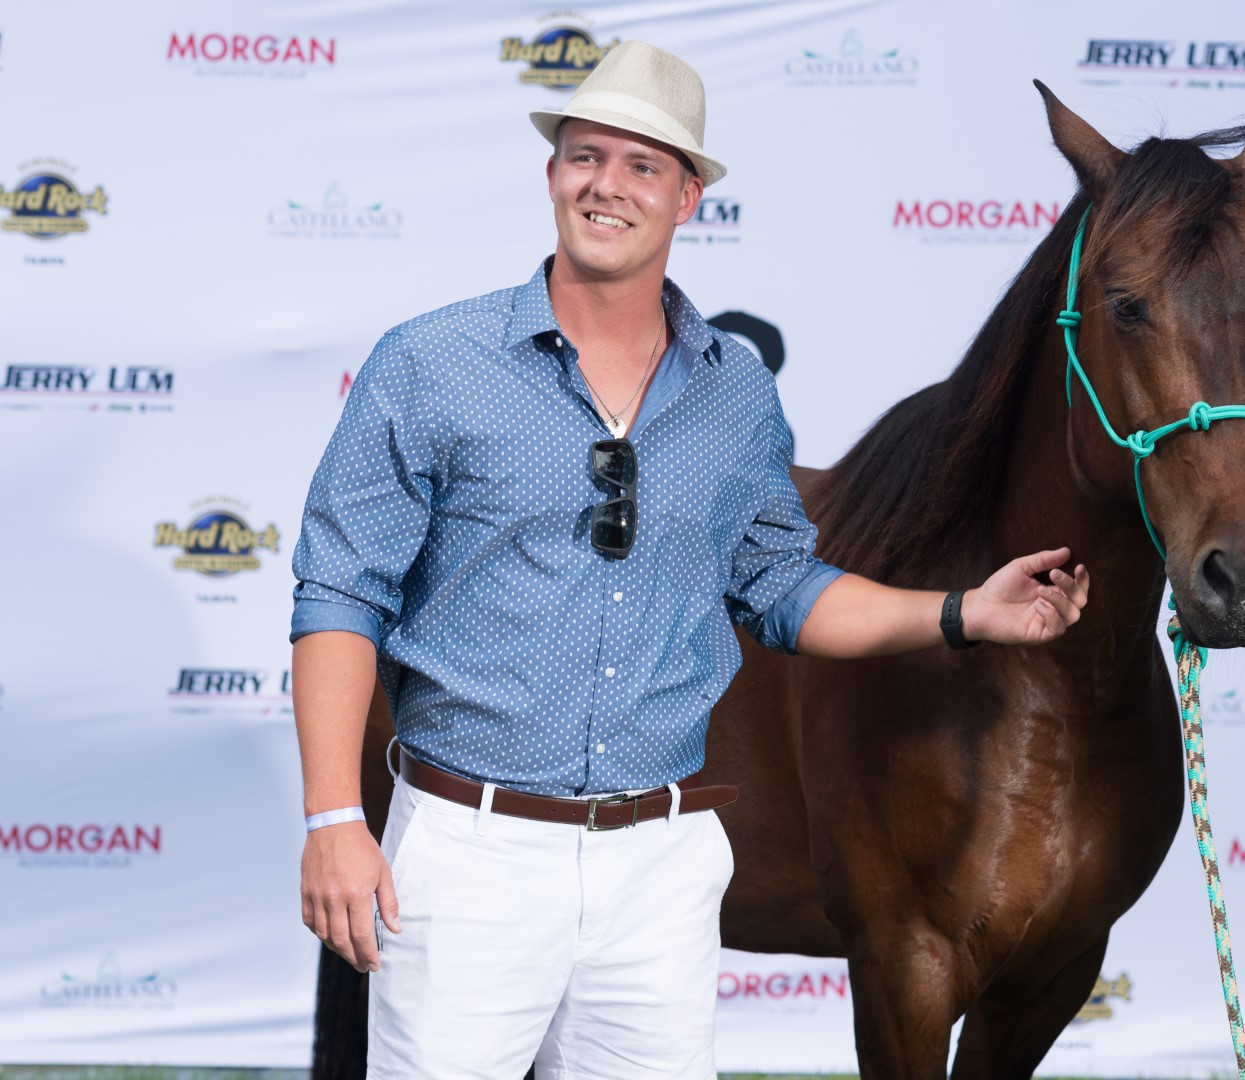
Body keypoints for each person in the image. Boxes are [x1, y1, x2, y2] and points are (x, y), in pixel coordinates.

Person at [290, 40, 1090, 1079]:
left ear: (688, 196)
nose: (606, 185)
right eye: (585, 157)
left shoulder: (735, 392)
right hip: (469, 854)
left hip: (661, 870)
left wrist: (964, 612)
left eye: (642, 165)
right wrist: (333, 818)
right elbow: (339, 594)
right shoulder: (430, 363)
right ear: (551, 174)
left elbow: (782, 587)